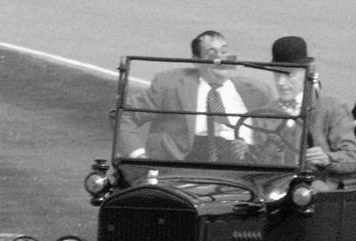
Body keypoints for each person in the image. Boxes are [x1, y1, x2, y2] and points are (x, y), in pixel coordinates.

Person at [116, 30, 273, 161]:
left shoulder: (258, 91)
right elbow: (123, 116)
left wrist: (251, 148)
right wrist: (138, 156)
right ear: (197, 61)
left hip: (240, 165)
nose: (221, 58)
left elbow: (275, 137)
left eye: (224, 52)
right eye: (212, 53)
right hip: (183, 164)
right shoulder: (170, 85)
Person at [238, 36, 356, 190]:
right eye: (277, 75)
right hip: (273, 191)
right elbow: (260, 165)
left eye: (288, 74)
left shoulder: (331, 108)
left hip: (317, 193)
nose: (281, 83)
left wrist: (327, 159)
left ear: (306, 74)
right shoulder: (263, 115)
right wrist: (246, 153)